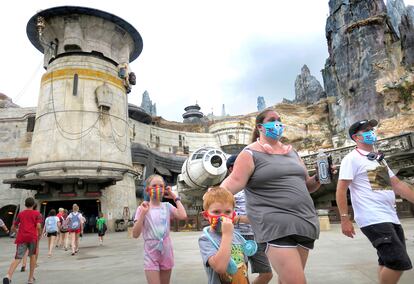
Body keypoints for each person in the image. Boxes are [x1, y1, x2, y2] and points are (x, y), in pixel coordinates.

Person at [220, 108, 323, 284]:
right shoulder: (249, 153)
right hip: (275, 226)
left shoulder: (292, 152)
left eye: (279, 119)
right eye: (272, 119)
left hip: (305, 224)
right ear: (260, 126)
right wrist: (214, 201)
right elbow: (231, 184)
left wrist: (321, 176)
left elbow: (307, 186)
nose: (277, 123)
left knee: (286, 280)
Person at [336, 119, 414, 284]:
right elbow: (341, 189)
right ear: (356, 137)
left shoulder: (377, 159)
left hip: (390, 216)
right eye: (366, 130)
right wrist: (345, 218)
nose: (372, 132)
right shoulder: (351, 159)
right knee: (398, 262)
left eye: (372, 129)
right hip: (373, 217)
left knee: (387, 261)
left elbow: (397, 185)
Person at [225, 154, 273, 284]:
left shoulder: (255, 187)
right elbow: (224, 213)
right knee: (240, 274)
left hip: (257, 237)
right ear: (231, 168)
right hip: (237, 237)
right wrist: (241, 219)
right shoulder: (229, 189)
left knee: (267, 274)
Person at [132, 174, 187, 284]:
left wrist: (174, 197)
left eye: (161, 186)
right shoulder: (142, 208)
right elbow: (135, 234)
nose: (158, 188)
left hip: (166, 252)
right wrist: (143, 213)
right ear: (148, 189)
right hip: (151, 254)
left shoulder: (167, 206)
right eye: (154, 185)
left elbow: (183, 215)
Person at [198, 186, 252, 284]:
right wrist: (226, 235)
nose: (222, 217)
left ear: (233, 215)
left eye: (227, 212)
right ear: (206, 215)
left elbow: (244, 268)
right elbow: (220, 267)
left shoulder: (237, 237)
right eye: (216, 212)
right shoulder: (206, 239)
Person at [2, 197, 42, 284]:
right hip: (32, 237)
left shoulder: (20, 214)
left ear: (25, 204)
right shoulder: (37, 214)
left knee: (18, 257)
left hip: (21, 238)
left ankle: (8, 276)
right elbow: (38, 226)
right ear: (34, 205)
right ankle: (30, 279)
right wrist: (39, 234)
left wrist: (18, 232)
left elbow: (13, 227)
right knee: (32, 256)